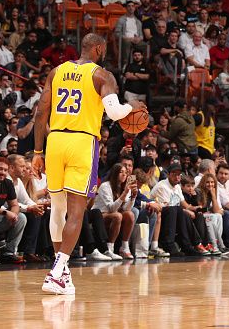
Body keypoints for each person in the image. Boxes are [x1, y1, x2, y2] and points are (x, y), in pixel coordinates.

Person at [32, 33, 146, 295]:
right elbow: (115, 113)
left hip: (56, 140)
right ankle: (56, 271)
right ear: (98, 48)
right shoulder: (102, 75)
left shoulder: (57, 71)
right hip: (82, 143)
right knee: (76, 210)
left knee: (57, 209)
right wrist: (133, 105)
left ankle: (63, 273)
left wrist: (38, 151)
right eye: (104, 49)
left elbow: (40, 113)